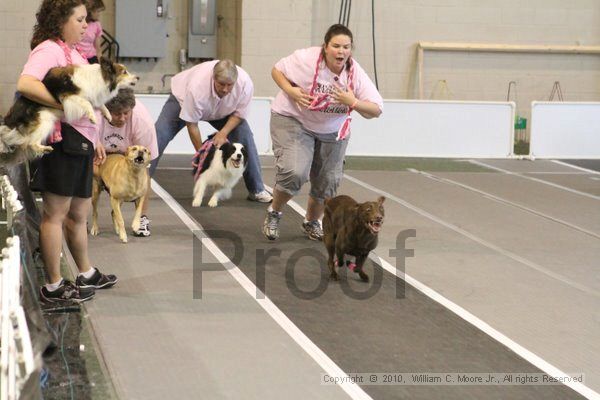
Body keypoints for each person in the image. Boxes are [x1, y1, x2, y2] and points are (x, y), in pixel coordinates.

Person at [19, 0, 117, 304]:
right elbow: (25, 84)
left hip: (83, 141)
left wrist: (97, 137)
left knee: (78, 213)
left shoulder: (72, 53)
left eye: (86, 19)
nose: (86, 25)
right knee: (55, 215)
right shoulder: (49, 49)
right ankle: (54, 284)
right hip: (63, 143)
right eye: (79, 19)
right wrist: (62, 106)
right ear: (61, 21)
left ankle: (85, 272)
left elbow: (87, 97)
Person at [263, 24, 383, 241]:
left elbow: (376, 109)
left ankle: (311, 222)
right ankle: (275, 212)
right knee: (295, 172)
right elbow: (277, 70)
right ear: (325, 47)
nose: (341, 51)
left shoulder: (355, 74)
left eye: (346, 47)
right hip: (294, 119)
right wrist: (291, 90)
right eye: (336, 46)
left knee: (327, 181)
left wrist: (353, 101)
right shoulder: (306, 60)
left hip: (332, 130)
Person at [149, 59, 273, 203]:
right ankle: (140, 184)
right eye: (221, 84)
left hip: (223, 111)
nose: (225, 89)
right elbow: (192, 124)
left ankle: (256, 190)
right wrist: (203, 155)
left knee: (244, 135)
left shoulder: (245, 84)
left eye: (229, 85)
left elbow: (239, 114)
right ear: (213, 78)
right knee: (159, 134)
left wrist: (223, 132)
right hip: (183, 100)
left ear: (236, 80)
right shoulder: (196, 87)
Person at [97, 88, 158, 236]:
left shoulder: (143, 123)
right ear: (105, 110)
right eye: (117, 114)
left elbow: (145, 165)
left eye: (126, 113)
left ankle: (142, 218)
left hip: (130, 149)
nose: (123, 118)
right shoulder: (94, 116)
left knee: (142, 177)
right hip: (100, 151)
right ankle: (79, 215)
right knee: (86, 174)